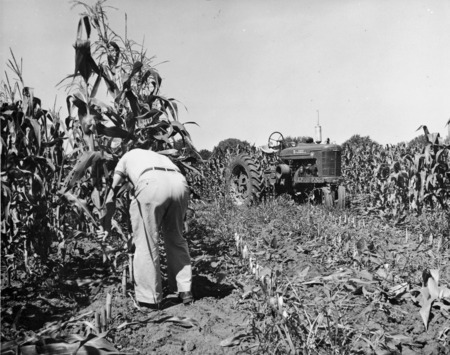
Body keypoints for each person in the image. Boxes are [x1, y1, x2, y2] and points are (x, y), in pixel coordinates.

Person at [103, 148, 193, 308]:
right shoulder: (157, 156)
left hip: (151, 183)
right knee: (176, 238)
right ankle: (185, 290)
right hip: (180, 183)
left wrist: (106, 224)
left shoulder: (124, 158)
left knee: (146, 241)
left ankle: (149, 298)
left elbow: (113, 190)